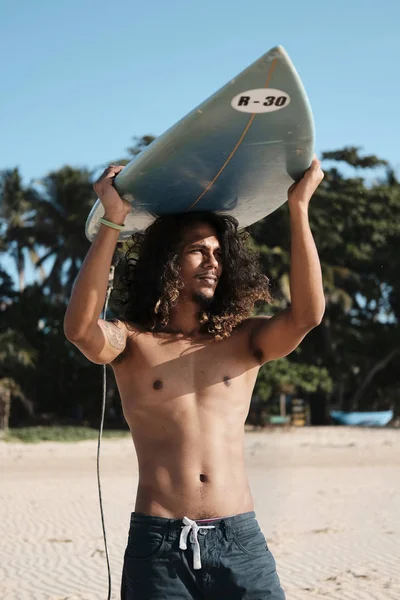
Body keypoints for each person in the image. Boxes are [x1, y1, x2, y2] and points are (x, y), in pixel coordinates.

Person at [64, 157, 325, 599]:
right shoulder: (133, 343)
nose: (213, 263)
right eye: (199, 251)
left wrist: (298, 207)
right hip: (159, 545)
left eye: (220, 254)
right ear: (168, 260)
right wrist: (114, 218)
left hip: (239, 539)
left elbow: (307, 315)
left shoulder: (243, 340)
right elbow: (80, 330)